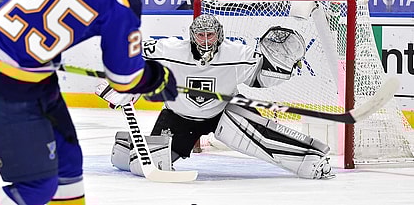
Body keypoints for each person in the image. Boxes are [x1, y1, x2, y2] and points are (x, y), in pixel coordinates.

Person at [0, 0, 177, 204]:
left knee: (68, 171)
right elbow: (124, 80)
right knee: (37, 186)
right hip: (9, 90)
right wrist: (156, 77)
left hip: (32, 83)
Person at [98, 14, 334, 180]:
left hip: (224, 113)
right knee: (141, 164)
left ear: (219, 35)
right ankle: (124, 146)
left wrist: (283, 65)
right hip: (178, 117)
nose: (206, 40)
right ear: (192, 36)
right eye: (200, 35)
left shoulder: (237, 54)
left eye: (210, 35)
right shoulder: (170, 51)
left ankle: (311, 159)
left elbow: (262, 78)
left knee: (265, 139)